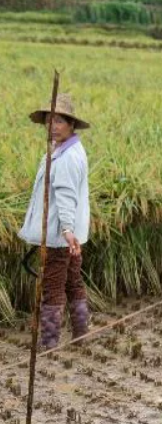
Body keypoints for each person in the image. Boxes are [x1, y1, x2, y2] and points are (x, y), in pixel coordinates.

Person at [18, 93, 91, 351]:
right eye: (49, 121)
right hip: (66, 235)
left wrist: (67, 230)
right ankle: (81, 334)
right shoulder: (64, 150)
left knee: (52, 287)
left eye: (59, 121)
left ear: (71, 125)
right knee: (72, 282)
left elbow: (66, 196)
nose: (53, 126)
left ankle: (48, 344)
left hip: (60, 236)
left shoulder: (68, 157)